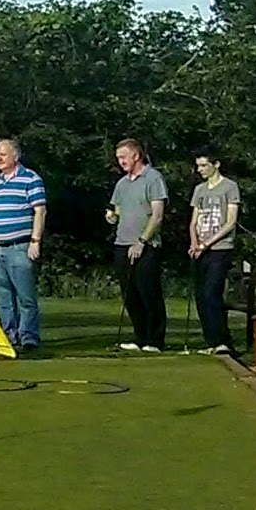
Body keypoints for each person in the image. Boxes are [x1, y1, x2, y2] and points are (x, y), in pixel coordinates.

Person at [0, 138, 47, 355]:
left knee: (25, 295)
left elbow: (40, 211)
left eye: (3, 154)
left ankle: (29, 337)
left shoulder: (31, 179)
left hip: (19, 246)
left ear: (15, 156)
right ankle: (9, 335)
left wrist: (35, 241)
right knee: (3, 296)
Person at [108, 138, 168, 352]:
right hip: (122, 243)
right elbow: (117, 209)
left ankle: (155, 339)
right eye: (118, 158)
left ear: (136, 155)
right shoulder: (122, 184)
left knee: (148, 292)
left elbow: (157, 215)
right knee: (130, 294)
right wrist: (112, 216)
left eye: (123, 157)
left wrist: (142, 241)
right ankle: (140, 336)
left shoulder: (153, 178)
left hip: (146, 244)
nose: (121, 161)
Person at [188, 146, 241, 354]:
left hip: (220, 248)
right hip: (200, 249)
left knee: (212, 293)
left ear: (216, 164)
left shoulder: (229, 187)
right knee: (201, 295)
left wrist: (206, 244)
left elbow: (230, 222)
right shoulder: (199, 190)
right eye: (198, 166)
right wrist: (194, 243)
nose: (200, 170)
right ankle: (211, 340)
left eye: (204, 165)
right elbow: (194, 221)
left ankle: (222, 340)